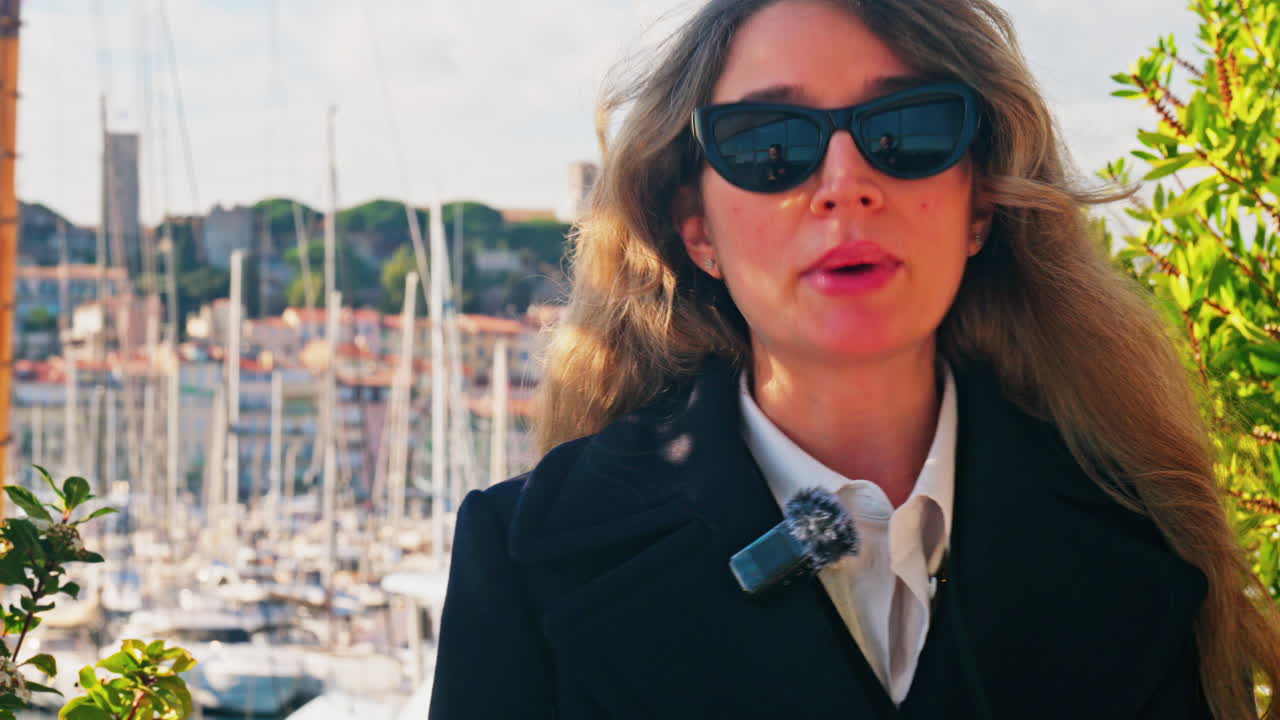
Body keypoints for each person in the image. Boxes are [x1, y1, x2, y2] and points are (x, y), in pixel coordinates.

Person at [428, 0, 1280, 718]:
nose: (844, 180)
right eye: (770, 143)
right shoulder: (526, 562)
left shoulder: (1141, 539)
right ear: (698, 230)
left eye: (906, 130)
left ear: (979, 203)